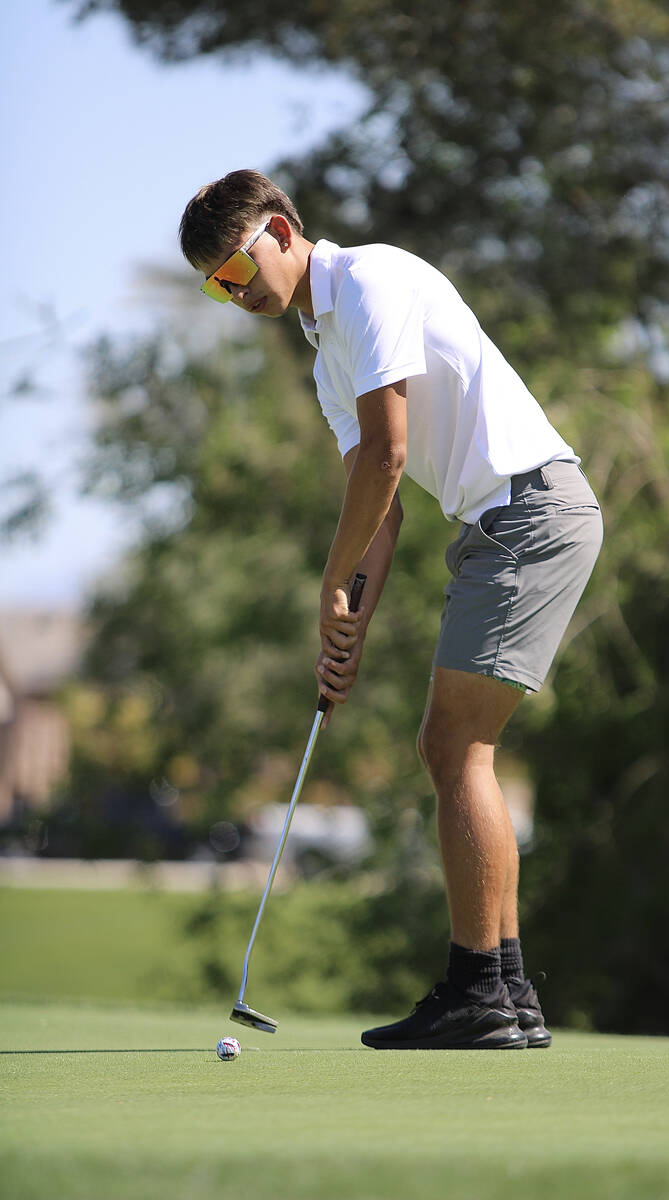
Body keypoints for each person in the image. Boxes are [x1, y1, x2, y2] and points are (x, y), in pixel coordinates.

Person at [179, 169, 603, 1050]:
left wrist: (328, 580)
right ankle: (509, 993)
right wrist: (346, 629)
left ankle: (478, 986)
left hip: (531, 510)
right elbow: (386, 503)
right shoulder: (324, 345)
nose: (237, 292)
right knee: (456, 747)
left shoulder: (370, 280)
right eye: (217, 285)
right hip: (499, 522)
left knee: (454, 746)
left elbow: (387, 452)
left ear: (285, 232)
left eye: (238, 265)